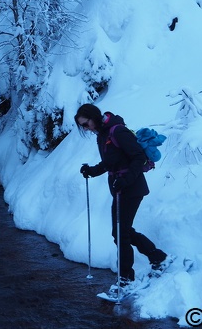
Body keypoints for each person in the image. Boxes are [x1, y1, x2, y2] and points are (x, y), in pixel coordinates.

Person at [74, 103, 173, 294]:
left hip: (131, 187)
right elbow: (111, 162)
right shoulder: (103, 135)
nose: (86, 128)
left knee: (120, 233)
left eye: (86, 124)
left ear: (94, 117)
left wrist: (125, 180)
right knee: (121, 231)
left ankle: (126, 279)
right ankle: (158, 257)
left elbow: (138, 158)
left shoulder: (118, 132)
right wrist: (92, 171)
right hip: (120, 188)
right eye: (83, 126)